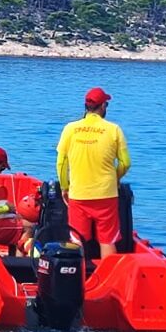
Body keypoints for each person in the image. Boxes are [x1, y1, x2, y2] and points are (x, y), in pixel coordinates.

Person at [55, 87, 131, 259]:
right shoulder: (114, 129)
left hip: (79, 194)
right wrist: (115, 178)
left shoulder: (70, 129)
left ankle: (73, 280)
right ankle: (109, 281)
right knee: (107, 239)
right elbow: (126, 163)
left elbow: (61, 163)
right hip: (106, 195)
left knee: (76, 240)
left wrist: (65, 187)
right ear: (103, 106)